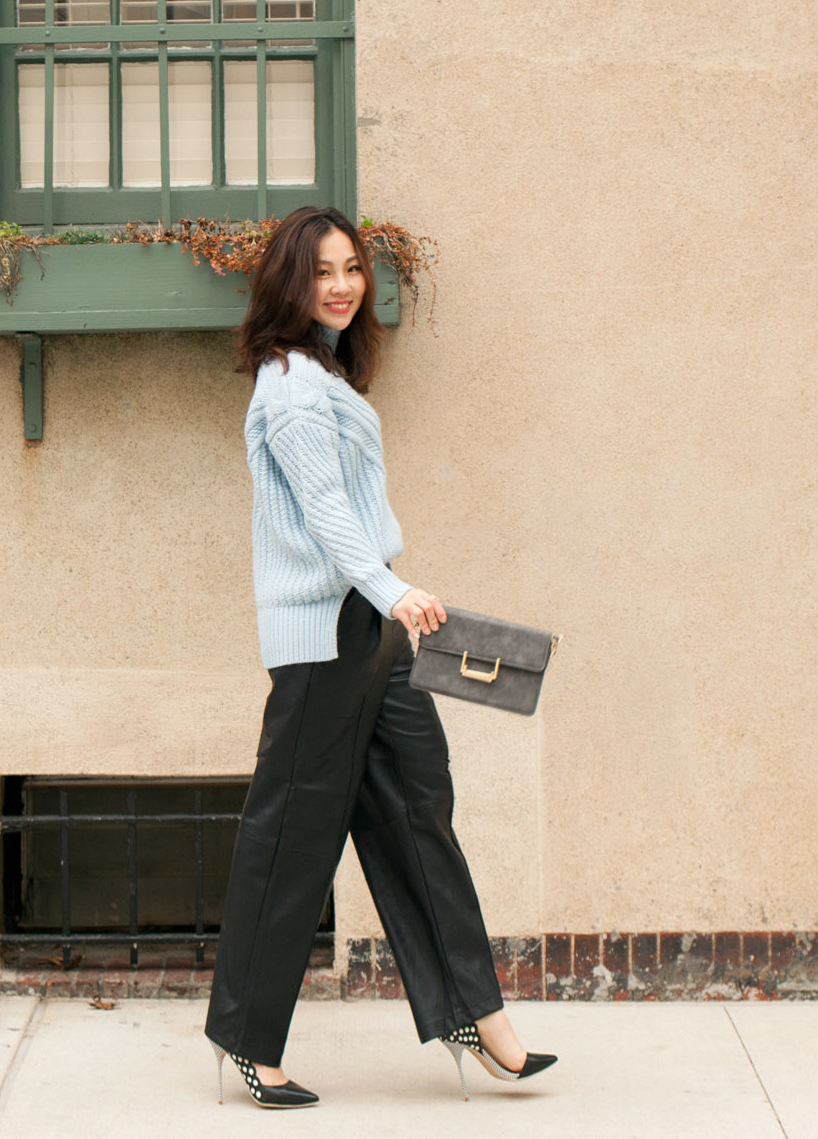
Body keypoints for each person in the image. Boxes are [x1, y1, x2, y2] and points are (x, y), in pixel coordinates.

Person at [203, 205, 555, 1108]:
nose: (342, 284)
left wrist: (389, 602)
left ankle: (477, 1017)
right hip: (326, 638)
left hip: (373, 631)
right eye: (322, 270)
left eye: (352, 267)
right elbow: (324, 510)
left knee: (417, 812)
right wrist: (390, 590)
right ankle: (245, 1040)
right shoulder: (287, 383)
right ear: (290, 281)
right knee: (291, 835)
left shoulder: (326, 377)